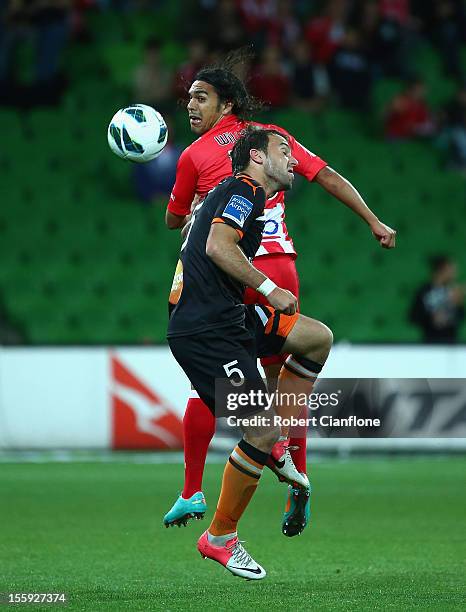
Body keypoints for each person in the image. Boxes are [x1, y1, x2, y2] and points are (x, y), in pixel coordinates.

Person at [163, 50, 397, 537]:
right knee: (289, 380)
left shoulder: (196, 155)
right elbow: (327, 176)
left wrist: (196, 215)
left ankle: (192, 490)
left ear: (225, 104)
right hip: (283, 270)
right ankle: (297, 479)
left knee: (221, 386)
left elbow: (175, 220)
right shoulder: (277, 142)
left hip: (241, 274)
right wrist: (372, 220)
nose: (192, 107)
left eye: (200, 98)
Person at [167, 126, 334, 579]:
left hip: (232, 319)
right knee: (257, 434)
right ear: (257, 158)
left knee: (316, 337)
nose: (294, 159)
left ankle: (277, 438)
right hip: (208, 332)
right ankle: (219, 538)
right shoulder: (244, 189)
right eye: (284, 151)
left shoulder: (237, 194)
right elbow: (217, 246)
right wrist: (269, 287)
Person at [409, 255, 464, 343]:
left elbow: (460, 317)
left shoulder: (453, 290)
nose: (454, 272)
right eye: (451, 269)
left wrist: (458, 304)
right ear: (441, 270)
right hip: (430, 341)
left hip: (451, 342)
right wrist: (431, 318)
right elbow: (413, 316)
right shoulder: (424, 291)